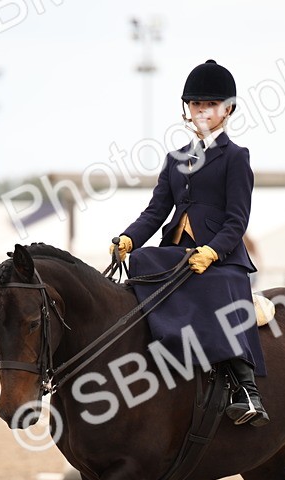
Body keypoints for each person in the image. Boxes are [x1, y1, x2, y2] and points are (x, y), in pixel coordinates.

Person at [111, 59, 269, 426]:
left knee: (214, 285)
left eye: (209, 105)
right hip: (178, 249)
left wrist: (212, 251)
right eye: (196, 105)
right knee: (144, 265)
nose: (202, 111)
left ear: (227, 110)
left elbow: (236, 220)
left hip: (222, 256)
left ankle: (246, 390)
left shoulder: (235, 157)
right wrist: (129, 239)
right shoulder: (175, 159)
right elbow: (155, 212)